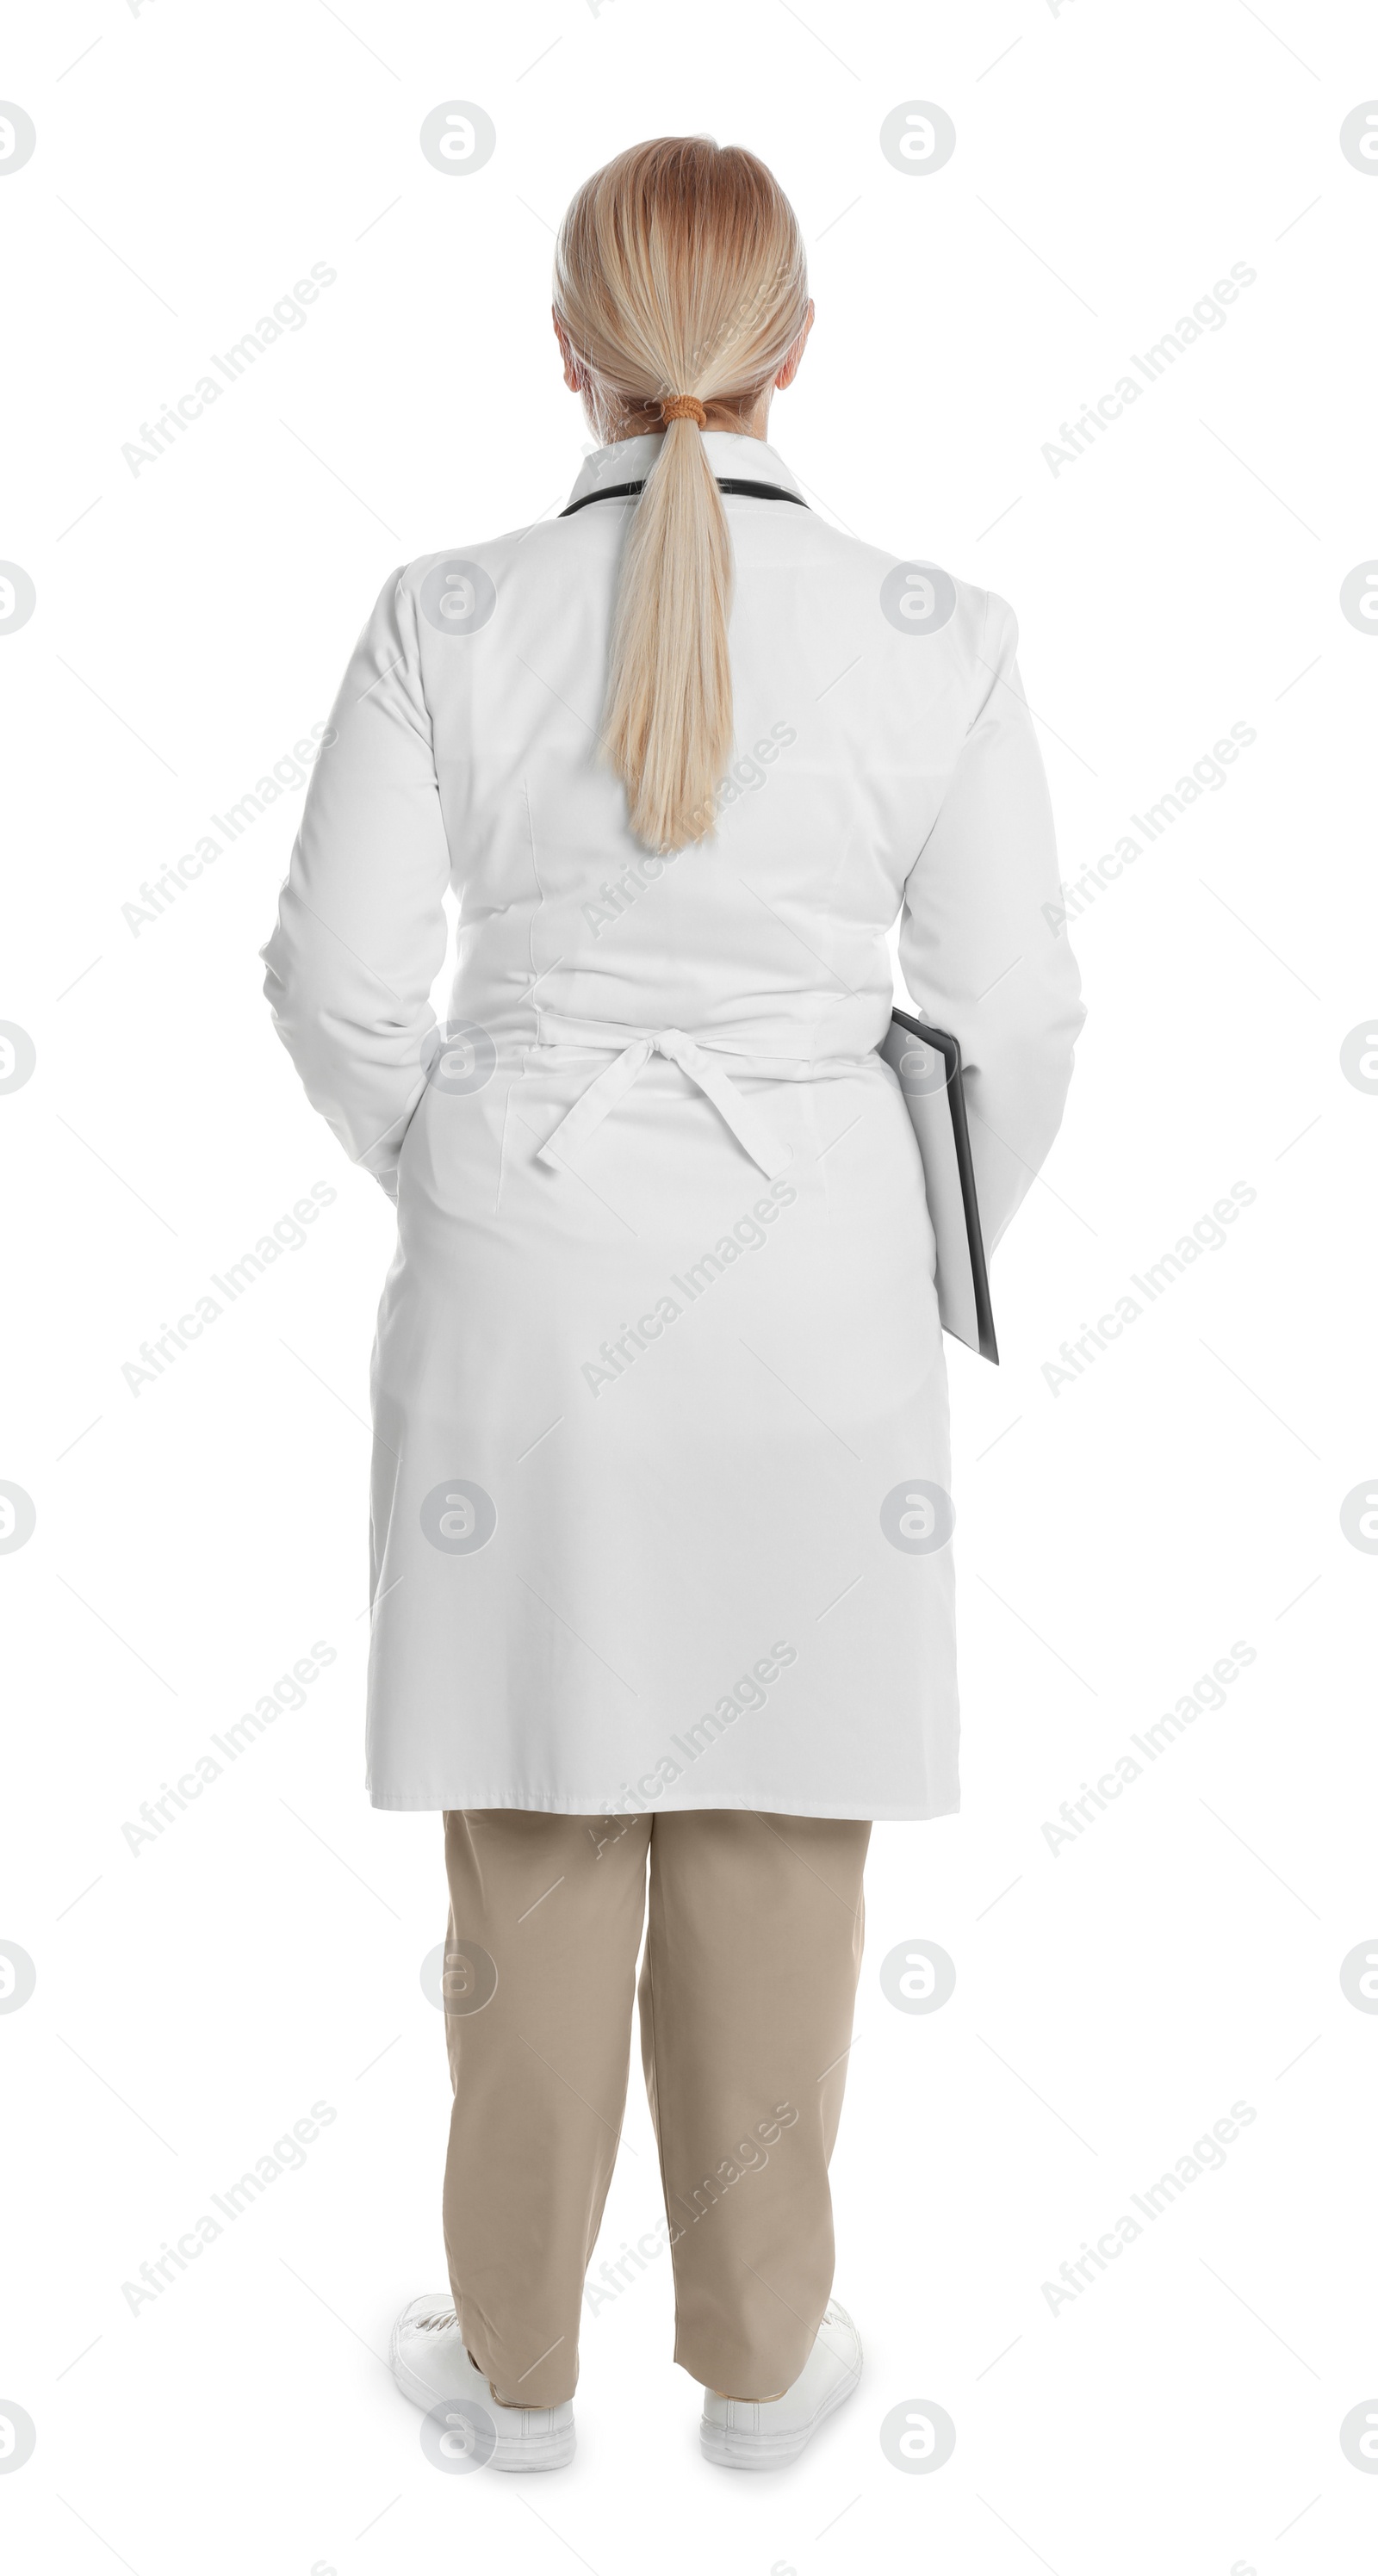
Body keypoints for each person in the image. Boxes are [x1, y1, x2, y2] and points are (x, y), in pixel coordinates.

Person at [262, 133, 1083, 2474]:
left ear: (567, 355)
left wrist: (453, 1157)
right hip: (812, 1289)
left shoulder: (445, 612)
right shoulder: (944, 630)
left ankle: (515, 2384)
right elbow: (1018, 1016)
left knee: (532, 1821)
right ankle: (760, 2369)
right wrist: (905, 1251)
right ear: (798, 350)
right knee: (773, 1824)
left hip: (523, 1287)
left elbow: (334, 979)